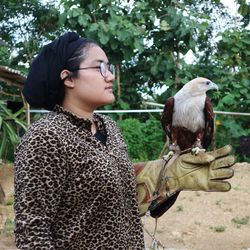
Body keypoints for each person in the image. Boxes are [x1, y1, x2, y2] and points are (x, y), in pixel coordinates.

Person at [14, 32, 236, 250]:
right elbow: (32, 232)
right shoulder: (46, 137)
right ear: (69, 78)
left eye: (108, 68)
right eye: (99, 67)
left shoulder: (108, 127)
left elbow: (114, 197)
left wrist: (168, 175)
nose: (109, 75)